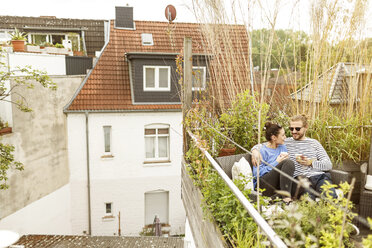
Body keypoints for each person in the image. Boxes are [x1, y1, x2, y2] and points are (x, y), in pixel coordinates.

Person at [252, 114, 337, 200]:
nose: (294, 131)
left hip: (319, 177)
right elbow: (268, 144)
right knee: (308, 201)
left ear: (306, 127)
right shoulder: (285, 142)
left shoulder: (314, 143)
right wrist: (254, 150)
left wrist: (311, 163)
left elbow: (328, 165)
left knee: (331, 198)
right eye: (291, 129)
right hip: (300, 180)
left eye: (297, 129)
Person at [253, 122, 295, 203]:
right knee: (288, 163)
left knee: (298, 184)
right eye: (282, 135)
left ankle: (272, 199)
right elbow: (257, 174)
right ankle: (286, 199)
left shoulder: (282, 147)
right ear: (274, 137)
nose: (285, 137)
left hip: (277, 185)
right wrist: (277, 162)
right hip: (262, 185)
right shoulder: (262, 151)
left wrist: (285, 166)